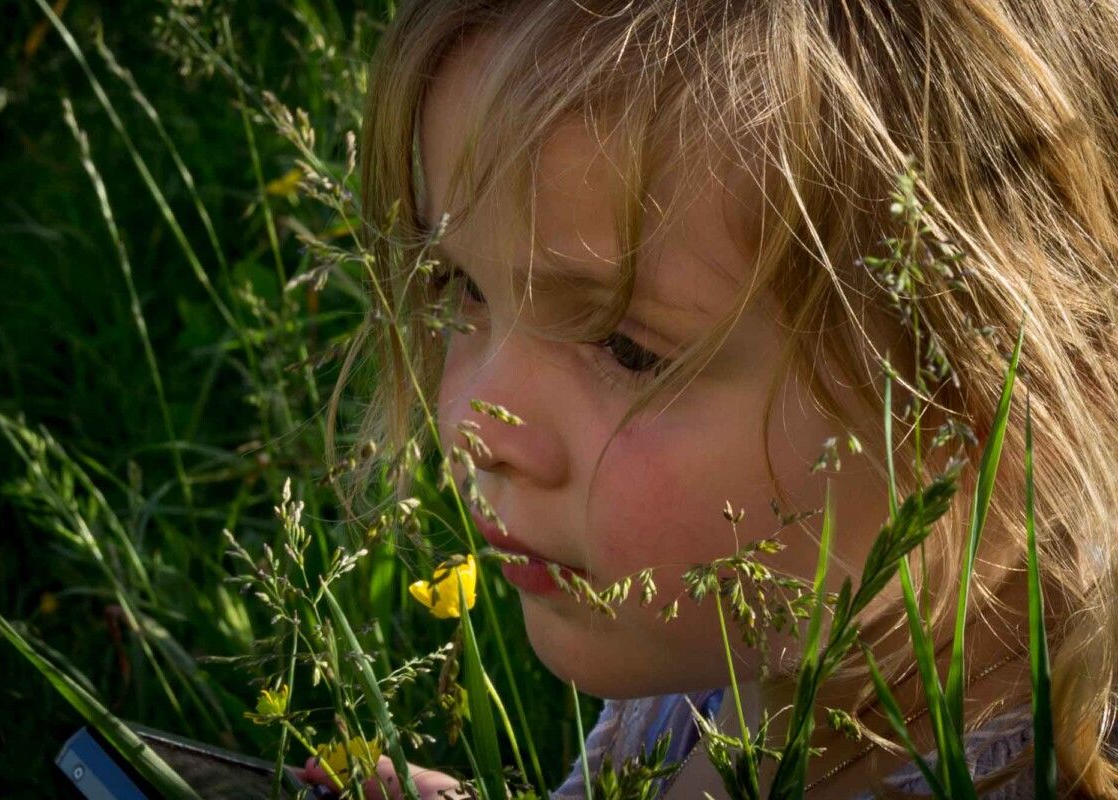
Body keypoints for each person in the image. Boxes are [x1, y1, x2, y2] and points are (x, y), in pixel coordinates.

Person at [301, 1, 1118, 797]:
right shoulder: (719, 670)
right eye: (464, 289)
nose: (475, 427)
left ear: (1010, 392)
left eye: (627, 348)